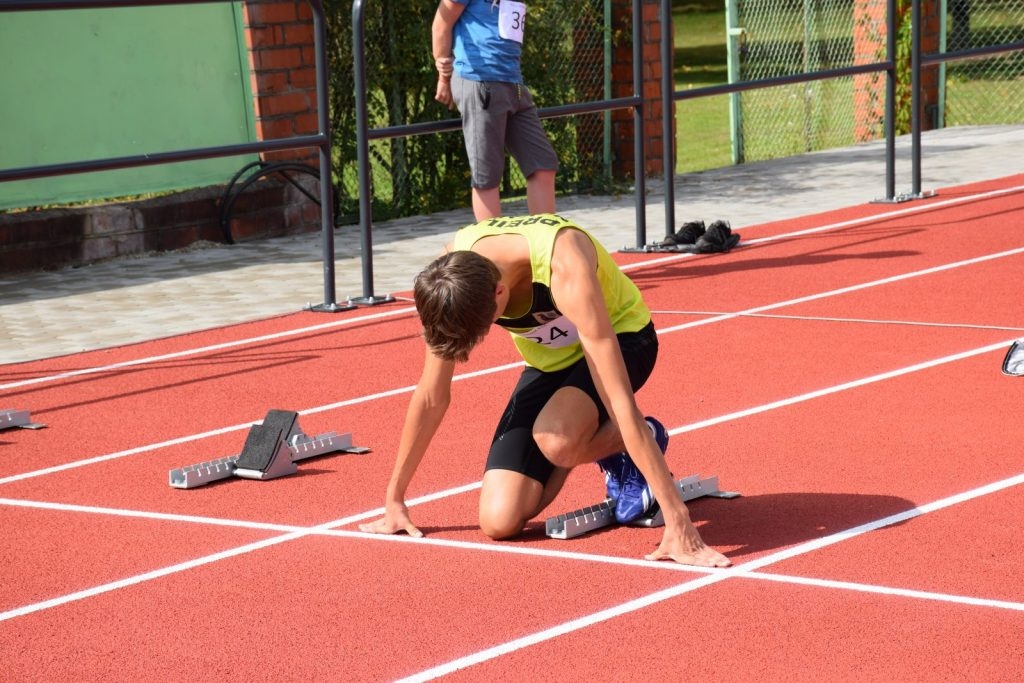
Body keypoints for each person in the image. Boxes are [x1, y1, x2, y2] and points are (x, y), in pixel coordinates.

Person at [359, 213, 731, 568]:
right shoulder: (450, 280)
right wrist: (395, 498)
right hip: (548, 363)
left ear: (499, 291)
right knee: (499, 521)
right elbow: (431, 396)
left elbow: (619, 404)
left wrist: (677, 520)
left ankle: (638, 439)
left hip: (622, 338)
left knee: (558, 441)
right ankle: (603, 441)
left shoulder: (564, 266)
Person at [432, 0, 558, 221]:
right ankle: (491, 252)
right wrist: (444, 78)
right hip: (479, 81)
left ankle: (544, 245)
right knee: (487, 177)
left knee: (543, 165)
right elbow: (441, 24)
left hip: (514, 85)